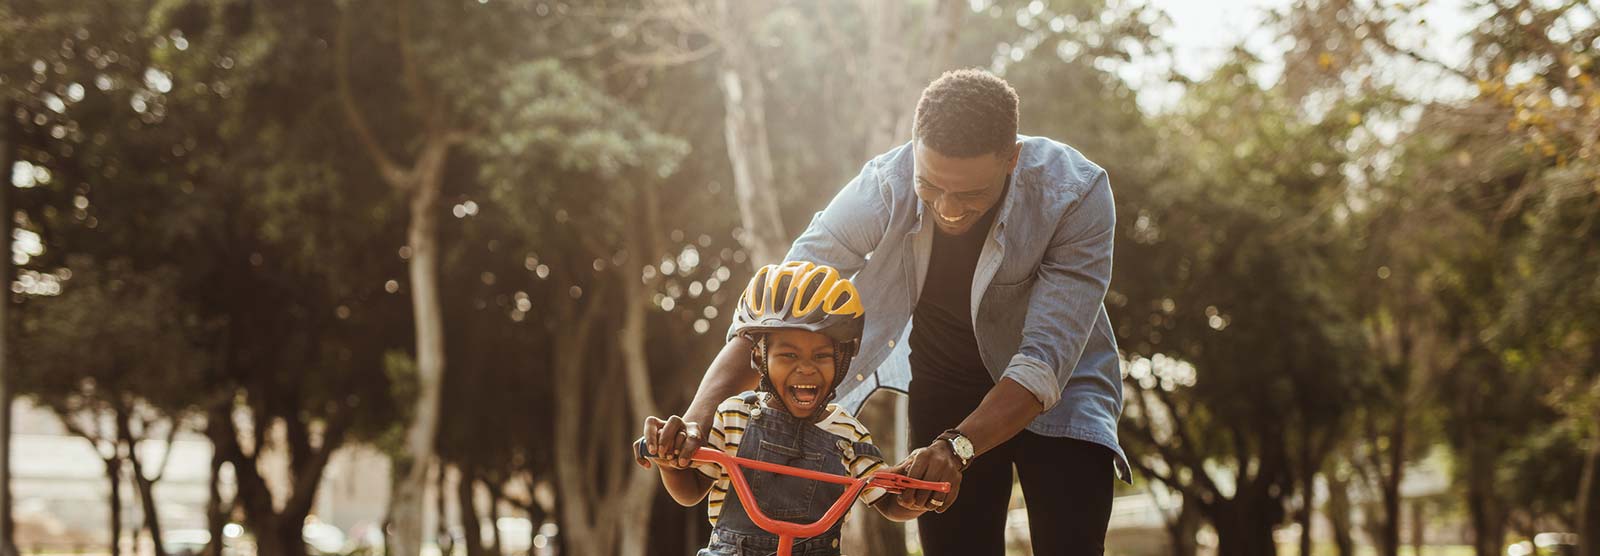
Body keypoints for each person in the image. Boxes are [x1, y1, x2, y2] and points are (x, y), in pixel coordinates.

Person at [658, 68, 1132, 555]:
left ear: (1012, 158)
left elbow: (1043, 363)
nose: (948, 210)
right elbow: (779, 303)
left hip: (1063, 391)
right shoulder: (885, 185)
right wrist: (697, 418)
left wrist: (959, 447)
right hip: (947, 382)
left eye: (969, 195)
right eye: (931, 187)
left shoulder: (1077, 193)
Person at [638, 261, 924, 556]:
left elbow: (887, 501)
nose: (806, 368)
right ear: (759, 358)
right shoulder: (734, 415)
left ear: (842, 361)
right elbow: (691, 490)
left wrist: (913, 497)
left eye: (822, 356)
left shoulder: (848, 432)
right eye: (788, 355)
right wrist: (669, 462)